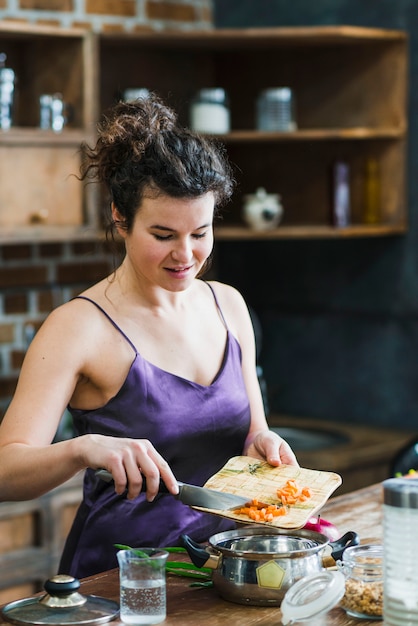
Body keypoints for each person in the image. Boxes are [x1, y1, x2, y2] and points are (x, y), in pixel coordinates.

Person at [0, 93, 298, 578]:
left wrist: (262, 443)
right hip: (122, 578)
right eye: (163, 235)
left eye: (200, 233)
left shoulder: (229, 306)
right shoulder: (78, 326)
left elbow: (252, 434)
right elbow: (5, 472)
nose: (185, 255)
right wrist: (83, 449)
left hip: (223, 568)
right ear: (120, 217)